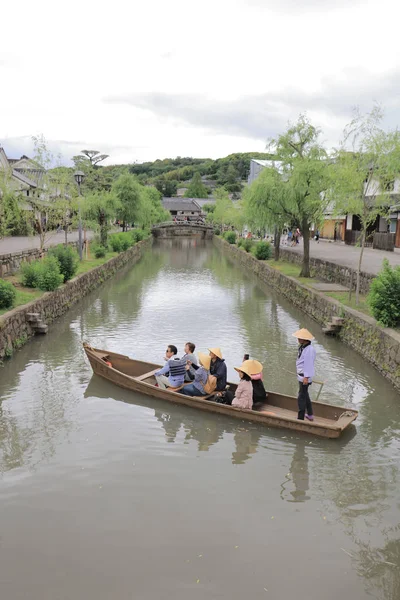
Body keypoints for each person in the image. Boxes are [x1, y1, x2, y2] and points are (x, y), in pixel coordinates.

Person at [292, 328, 316, 421]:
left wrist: (306, 377)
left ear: (305, 339)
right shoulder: (302, 347)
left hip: (304, 377)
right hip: (301, 375)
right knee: (305, 395)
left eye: (300, 338)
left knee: (301, 396)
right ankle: (310, 414)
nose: (298, 339)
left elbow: (308, 364)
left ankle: (300, 417)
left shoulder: (309, 350)